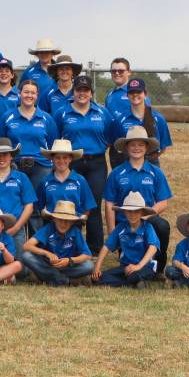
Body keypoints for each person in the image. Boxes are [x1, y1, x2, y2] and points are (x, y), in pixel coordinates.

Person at [103, 126, 173, 274]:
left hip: (148, 219)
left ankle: (158, 267)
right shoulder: (116, 173)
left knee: (162, 226)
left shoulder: (156, 172)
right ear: (126, 147)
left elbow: (163, 202)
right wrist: (112, 231)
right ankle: (127, 259)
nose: (137, 148)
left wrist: (145, 215)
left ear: (147, 147)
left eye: (141, 144)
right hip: (124, 221)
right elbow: (109, 203)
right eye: (133, 144)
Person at [55, 74, 111, 252]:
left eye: (86, 90)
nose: (82, 93)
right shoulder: (62, 112)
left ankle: (94, 248)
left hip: (96, 163)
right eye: (79, 90)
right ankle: (72, 244)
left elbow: (110, 135)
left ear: (91, 93)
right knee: (72, 203)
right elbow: (55, 137)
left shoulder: (102, 112)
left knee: (93, 204)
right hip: (73, 162)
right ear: (73, 91)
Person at [20, 200, 95, 286]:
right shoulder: (48, 228)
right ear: (54, 219)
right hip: (48, 264)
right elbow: (27, 246)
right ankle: (65, 280)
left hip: (67, 266)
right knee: (26, 256)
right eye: (60, 220)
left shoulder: (75, 232)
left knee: (89, 266)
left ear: (72, 222)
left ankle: (50, 278)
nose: (63, 224)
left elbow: (87, 255)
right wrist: (47, 253)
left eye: (67, 220)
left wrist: (70, 260)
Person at [36, 139, 95, 247]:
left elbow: (88, 205)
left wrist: (79, 220)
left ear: (71, 159)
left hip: (73, 227)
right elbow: (39, 206)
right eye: (57, 157)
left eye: (65, 157)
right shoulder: (45, 182)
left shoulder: (80, 180)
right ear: (52, 159)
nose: (61, 161)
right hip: (51, 227)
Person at [93, 192, 159, 288]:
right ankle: (134, 284)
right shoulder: (120, 227)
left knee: (134, 275)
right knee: (98, 278)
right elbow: (106, 247)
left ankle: (130, 282)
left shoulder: (147, 227)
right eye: (129, 211)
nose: (132, 214)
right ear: (124, 212)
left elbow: (153, 248)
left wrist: (138, 266)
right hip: (125, 267)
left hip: (145, 266)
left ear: (142, 212)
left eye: (136, 211)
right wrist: (97, 267)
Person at [108, 77, 172, 167]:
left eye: (138, 92)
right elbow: (116, 147)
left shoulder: (158, 118)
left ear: (145, 94)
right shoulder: (119, 120)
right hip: (126, 163)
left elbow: (163, 147)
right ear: (127, 95)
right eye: (131, 92)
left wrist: (147, 160)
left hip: (151, 163)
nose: (135, 95)